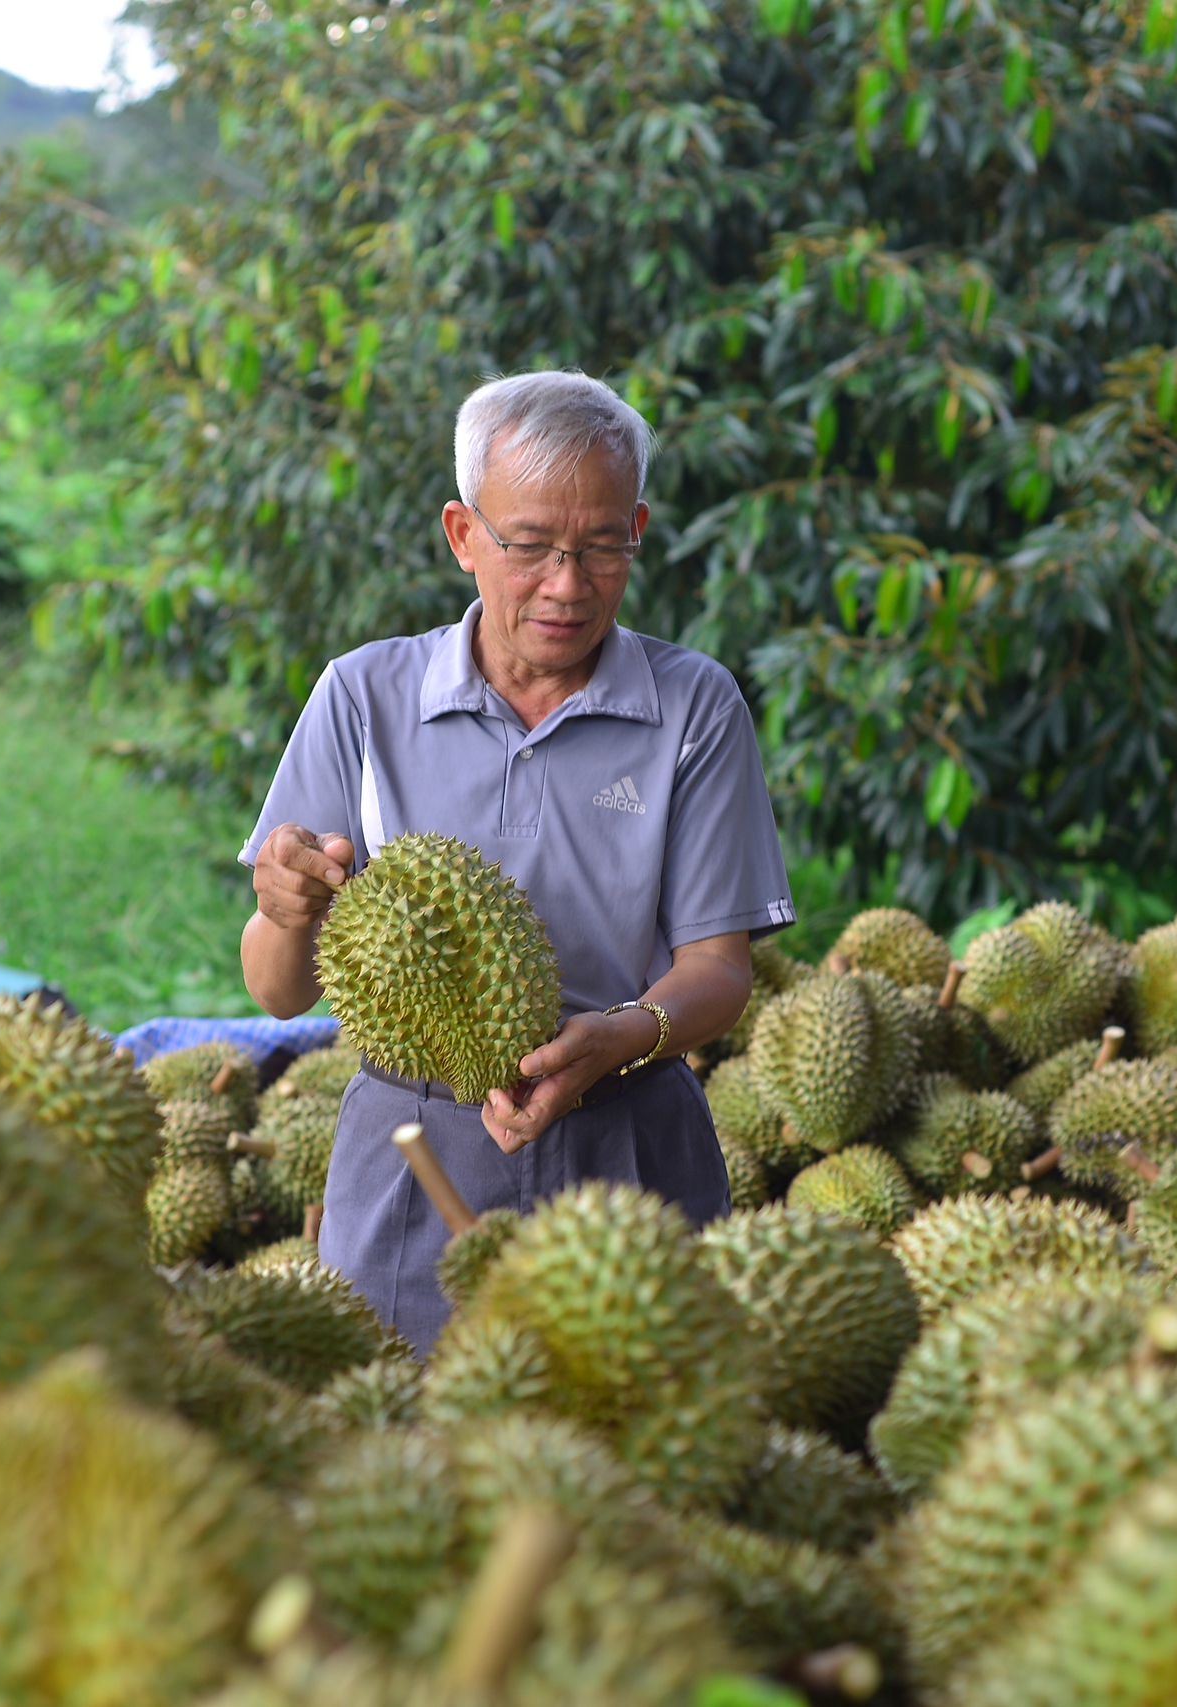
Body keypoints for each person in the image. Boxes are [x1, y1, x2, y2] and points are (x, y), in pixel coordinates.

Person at [237, 370, 797, 1354]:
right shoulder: (364, 698)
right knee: (402, 1446)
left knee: (637, 1460)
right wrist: (286, 910)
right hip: (415, 1145)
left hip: (629, 1133)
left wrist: (621, 1036)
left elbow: (717, 971)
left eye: (602, 548)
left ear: (639, 530)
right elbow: (280, 995)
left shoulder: (694, 709)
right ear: (463, 535)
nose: (568, 586)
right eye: (530, 546)